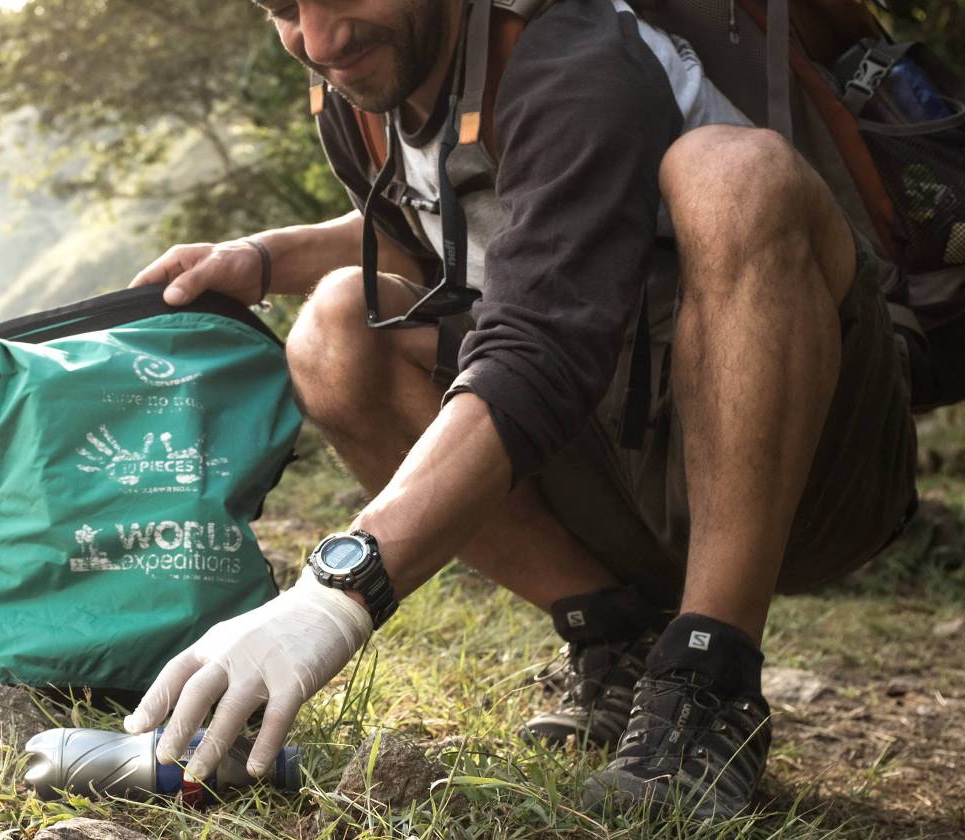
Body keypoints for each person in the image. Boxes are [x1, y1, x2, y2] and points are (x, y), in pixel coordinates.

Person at [120, 0, 917, 818]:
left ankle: (709, 675)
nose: (321, 41)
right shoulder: (368, 78)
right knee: (334, 329)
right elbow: (442, 234)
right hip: (612, 454)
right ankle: (615, 638)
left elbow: (542, 347)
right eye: (285, 8)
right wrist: (257, 260)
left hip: (810, 473)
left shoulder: (575, 57)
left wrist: (334, 592)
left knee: (734, 173)